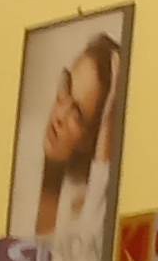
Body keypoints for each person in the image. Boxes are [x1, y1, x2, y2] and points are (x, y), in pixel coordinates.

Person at [31, 31, 119, 245]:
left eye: (77, 115)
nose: (59, 116)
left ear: (92, 142)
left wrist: (109, 120)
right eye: (66, 87)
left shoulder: (83, 215)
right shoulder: (24, 151)